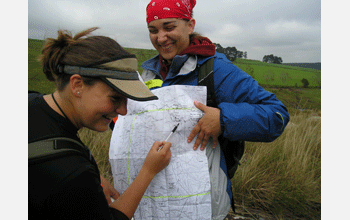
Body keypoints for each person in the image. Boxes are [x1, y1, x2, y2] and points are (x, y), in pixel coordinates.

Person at [139, 0, 290, 219]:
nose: (160, 38)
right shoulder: (149, 73)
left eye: (169, 27)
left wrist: (223, 119)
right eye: (153, 30)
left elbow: (277, 115)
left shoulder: (216, 70)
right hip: (155, 198)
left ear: (190, 25)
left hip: (204, 202)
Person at [28, 27, 172, 220]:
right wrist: (148, 171)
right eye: (115, 98)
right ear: (77, 85)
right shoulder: (73, 173)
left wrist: (91, 183)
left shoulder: (30, 101)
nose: (123, 110)